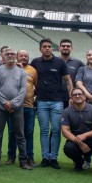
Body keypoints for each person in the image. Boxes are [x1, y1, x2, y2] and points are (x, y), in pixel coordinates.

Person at [30, 38, 72, 169]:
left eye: (49, 46)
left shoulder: (59, 62)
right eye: (44, 46)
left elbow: (68, 80)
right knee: (44, 130)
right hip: (41, 101)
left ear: (52, 48)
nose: (47, 48)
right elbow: (30, 77)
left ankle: (53, 158)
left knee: (55, 130)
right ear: (40, 49)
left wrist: (71, 96)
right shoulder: (35, 62)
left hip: (57, 102)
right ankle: (44, 158)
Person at [0, 47, 32, 170]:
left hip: (17, 108)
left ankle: (23, 161)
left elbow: (23, 90)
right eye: (7, 54)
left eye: (12, 54)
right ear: (3, 56)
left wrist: (13, 104)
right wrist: (5, 103)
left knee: (20, 134)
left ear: (16, 56)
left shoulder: (21, 72)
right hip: (0, 107)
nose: (10, 56)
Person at [61, 87, 92, 177]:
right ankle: (79, 163)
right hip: (77, 141)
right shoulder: (66, 111)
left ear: (85, 97)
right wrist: (79, 142)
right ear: (71, 98)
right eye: (74, 95)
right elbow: (64, 131)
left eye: (80, 94)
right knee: (68, 147)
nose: (77, 96)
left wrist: (85, 135)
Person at [7, 49, 37, 166]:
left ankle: (29, 157)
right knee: (12, 132)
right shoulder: (11, 68)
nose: (23, 58)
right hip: (14, 107)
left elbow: (36, 86)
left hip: (28, 106)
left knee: (28, 132)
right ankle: (11, 156)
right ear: (16, 57)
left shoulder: (33, 70)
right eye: (21, 56)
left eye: (26, 56)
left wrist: (30, 96)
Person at [58, 39, 84, 110]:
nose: (65, 47)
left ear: (71, 49)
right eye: (63, 46)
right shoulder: (54, 61)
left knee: (72, 120)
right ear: (59, 48)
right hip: (55, 98)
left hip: (73, 98)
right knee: (57, 120)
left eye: (68, 46)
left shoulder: (78, 63)